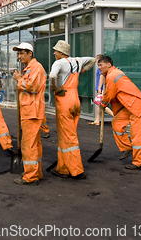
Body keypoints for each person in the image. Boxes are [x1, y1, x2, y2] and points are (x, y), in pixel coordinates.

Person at [49, 40, 95, 180]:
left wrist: (55, 88)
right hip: (75, 98)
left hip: (64, 99)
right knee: (66, 134)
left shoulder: (59, 63)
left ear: (62, 53)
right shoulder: (77, 60)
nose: (54, 53)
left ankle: (76, 170)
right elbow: (93, 60)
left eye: (56, 51)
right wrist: (82, 71)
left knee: (68, 137)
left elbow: (52, 76)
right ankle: (63, 168)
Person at [98, 56, 141, 170]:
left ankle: (138, 162)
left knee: (137, 136)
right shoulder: (113, 74)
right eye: (98, 65)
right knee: (117, 123)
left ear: (109, 65)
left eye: (101, 65)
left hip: (137, 107)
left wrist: (103, 104)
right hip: (129, 106)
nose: (99, 67)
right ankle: (127, 148)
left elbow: (109, 94)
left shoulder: (112, 76)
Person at [11, 42, 46, 185]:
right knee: (34, 144)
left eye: (21, 54)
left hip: (32, 111)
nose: (19, 56)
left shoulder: (36, 68)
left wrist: (19, 80)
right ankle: (36, 173)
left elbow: (32, 87)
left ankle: (30, 176)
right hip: (30, 110)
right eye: (18, 54)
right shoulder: (29, 69)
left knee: (28, 145)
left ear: (29, 53)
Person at [89, 54, 114, 125]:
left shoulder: (101, 69)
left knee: (100, 104)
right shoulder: (100, 68)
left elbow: (102, 77)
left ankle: (114, 116)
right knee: (98, 104)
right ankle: (97, 120)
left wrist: (99, 88)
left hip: (101, 89)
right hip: (99, 88)